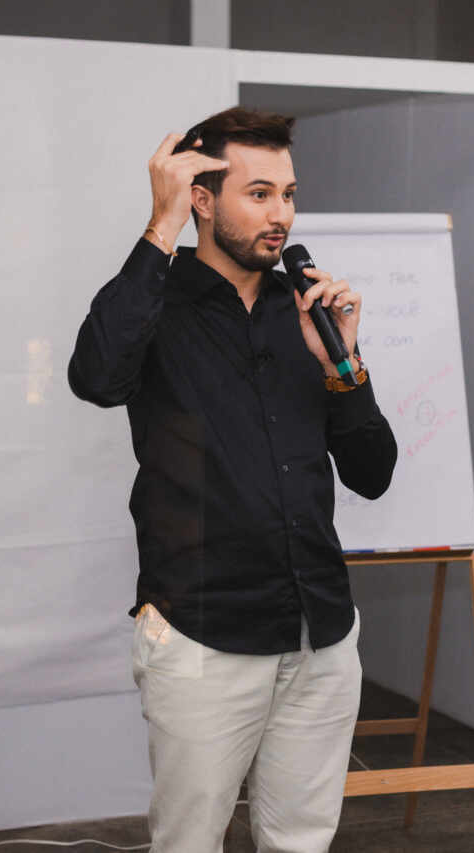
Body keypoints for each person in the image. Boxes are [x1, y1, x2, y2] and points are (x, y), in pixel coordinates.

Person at [67, 107, 397, 853]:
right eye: (259, 193)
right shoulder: (155, 303)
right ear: (203, 200)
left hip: (320, 632)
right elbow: (95, 377)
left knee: (300, 840)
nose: (281, 214)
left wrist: (343, 365)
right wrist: (161, 225)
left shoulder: (303, 313)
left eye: (288, 193)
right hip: (203, 633)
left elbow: (373, 473)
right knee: (189, 842)